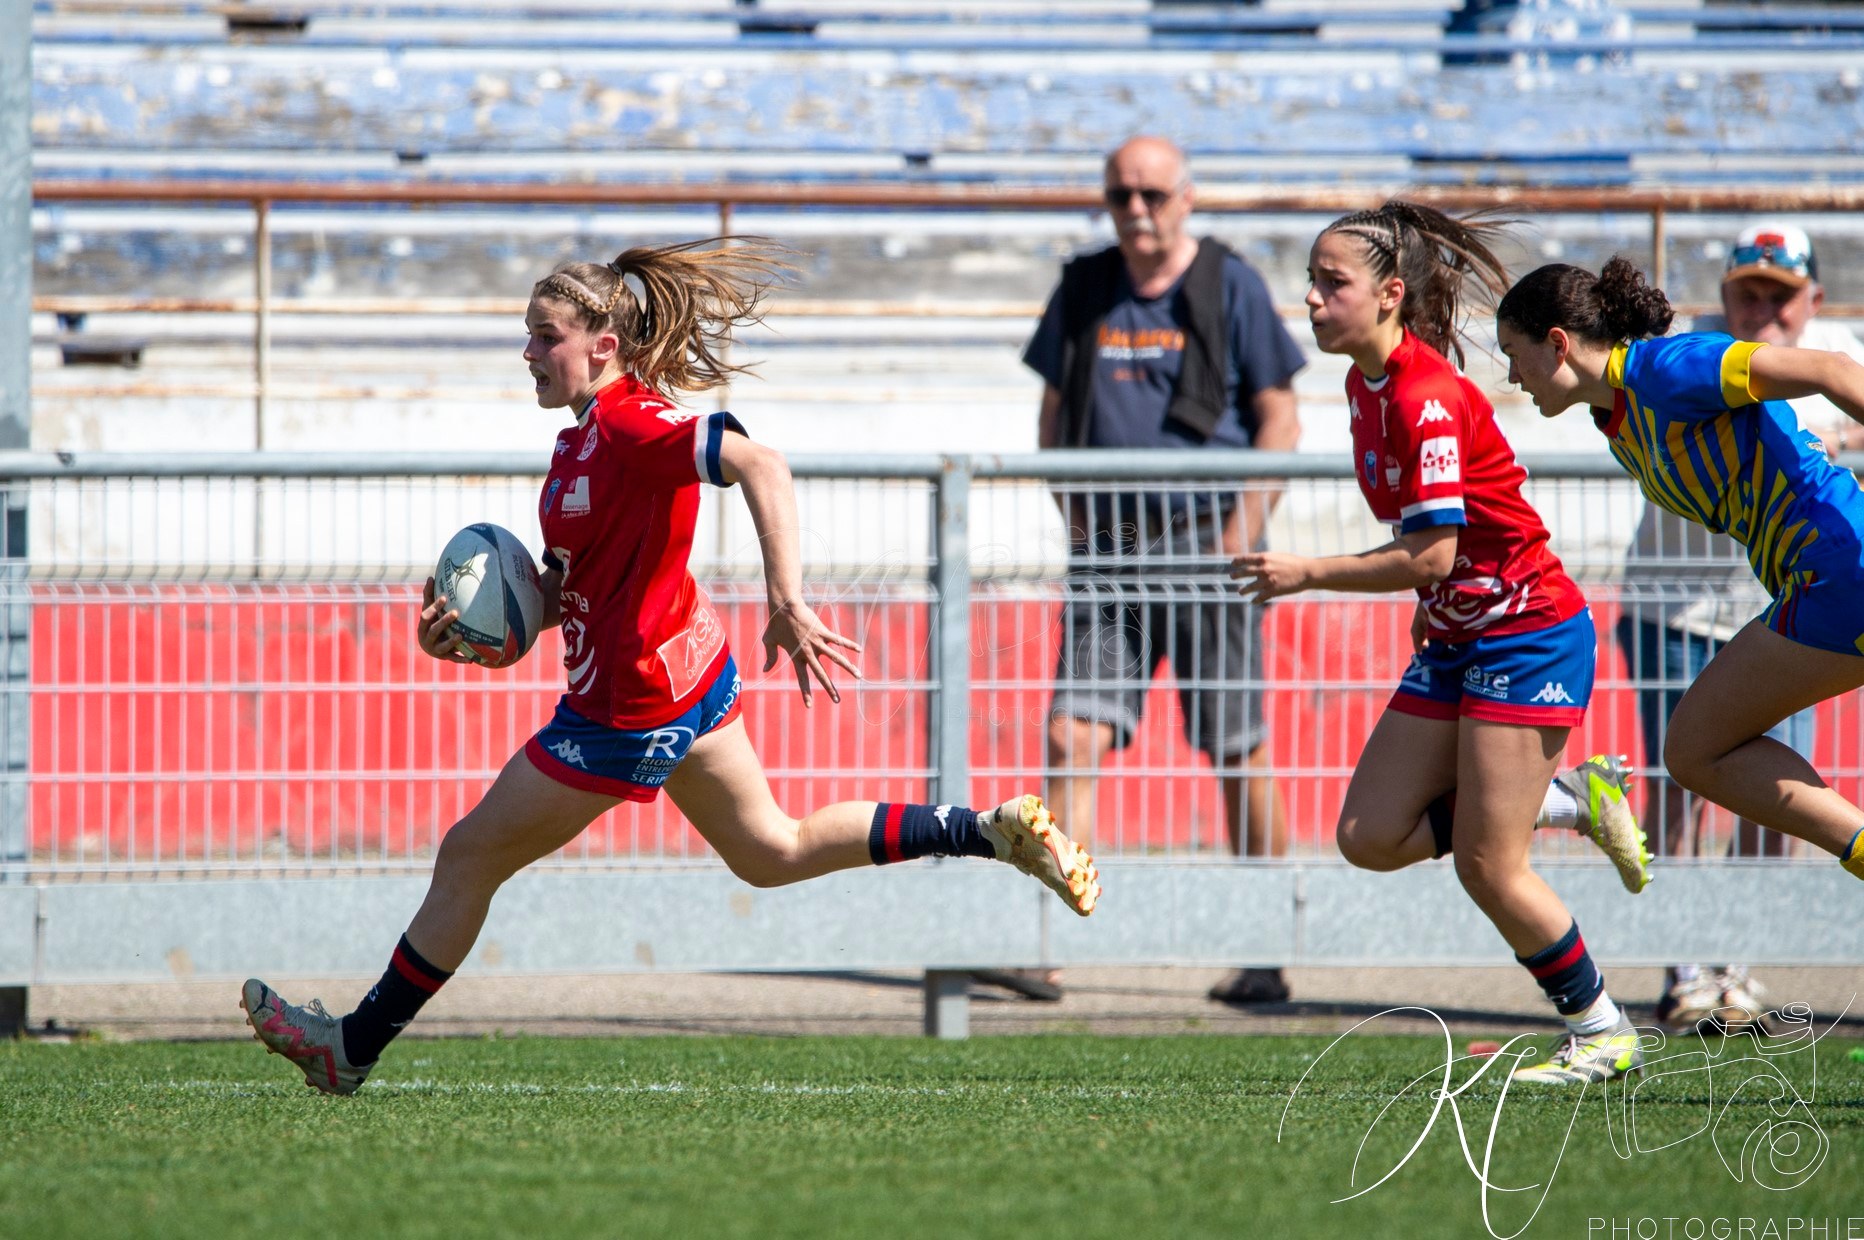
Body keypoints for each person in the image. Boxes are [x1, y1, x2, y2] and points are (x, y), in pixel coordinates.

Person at [240, 238, 1102, 1095]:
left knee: (469, 857)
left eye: (545, 336)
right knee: (773, 849)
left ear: (601, 346)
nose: (529, 353)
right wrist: (472, 635)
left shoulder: (628, 424)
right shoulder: (578, 444)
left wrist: (787, 598)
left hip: (629, 711)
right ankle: (984, 829)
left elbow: (760, 461)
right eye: (529, 335)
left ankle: (349, 1048)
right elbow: (565, 597)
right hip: (688, 679)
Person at [1232, 201, 1654, 1086]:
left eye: (1329, 283)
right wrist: (1435, 599)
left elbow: (1433, 548)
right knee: (1369, 834)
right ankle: (1574, 798)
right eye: (1310, 280)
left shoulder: (1424, 398)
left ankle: (1603, 1030)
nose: (1309, 299)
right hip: (1462, 632)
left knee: (1486, 865)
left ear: (1389, 295)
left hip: (1530, 632)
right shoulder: (1364, 386)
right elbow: (1438, 558)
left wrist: (1308, 572)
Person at [1493, 260, 1864, 973]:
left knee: (1695, 749)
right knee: (1695, 750)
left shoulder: (1668, 368)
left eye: (1514, 356)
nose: (1514, 378)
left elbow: (1834, 369)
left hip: (1843, 570)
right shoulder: (1616, 418)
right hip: (1819, 585)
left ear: (1558, 343)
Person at [1019, 135, 1307, 1006]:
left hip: (1205, 541)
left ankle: (1266, 951)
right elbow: (1053, 413)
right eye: (1120, 196)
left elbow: (1280, 417)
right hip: (1109, 549)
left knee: (1236, 746)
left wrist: (1241, 533)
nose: (1136, 211)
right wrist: (1076, 516)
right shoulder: (1084, 287)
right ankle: (1049, 946)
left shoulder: (1231, 284)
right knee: (1074, 735)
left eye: (1151, 194)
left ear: (1186, 197)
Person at [1619, 222, 1864, 1030]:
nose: (1762, 307)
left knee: (1767, 793)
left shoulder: (1834, 357)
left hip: (1800, 604)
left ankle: (1741, 971)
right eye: (1747, 290)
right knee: (1682, 786)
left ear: (1812, 301)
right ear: (1722, 295)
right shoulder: (1687, 359)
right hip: (1678, 607)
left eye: (1779, 293)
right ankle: (1689, 968)